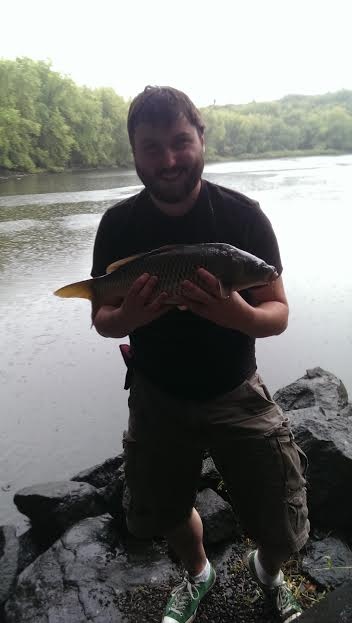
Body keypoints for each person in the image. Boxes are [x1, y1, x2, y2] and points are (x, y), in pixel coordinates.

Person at [91, 85, 309, 623]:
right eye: (151, 147)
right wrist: (131, 318)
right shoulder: (117, 225)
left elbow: (277, 310)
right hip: (156, 393)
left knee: (285, 524)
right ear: (134, 152)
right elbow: (101, 319)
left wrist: (240, 317)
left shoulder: (243, 219)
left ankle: (269, 571)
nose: (168, 160)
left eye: (180, 142)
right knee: (164, 510)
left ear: (200, 139)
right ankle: (198, 573)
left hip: (236, 388)